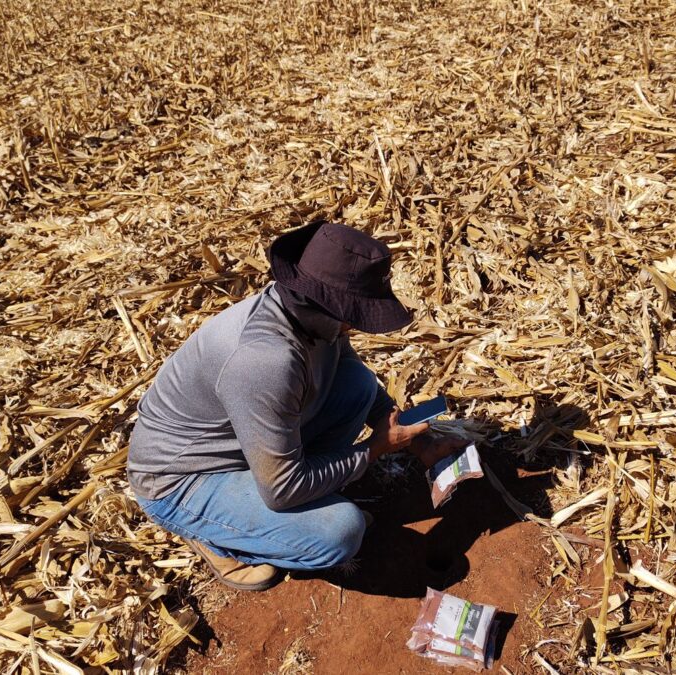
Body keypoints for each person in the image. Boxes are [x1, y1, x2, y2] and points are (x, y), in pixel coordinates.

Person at [127, 221, 463, 591]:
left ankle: (282, 503)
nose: (355, 327)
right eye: (354, 317)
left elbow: (356, 380)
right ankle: (219, 537)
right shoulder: (265, 360)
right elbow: (283, 489)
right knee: (340, 532)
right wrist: (375, 448)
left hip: (247, 447)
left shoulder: (309, 316)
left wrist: (421, 445)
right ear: (323, 305)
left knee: (357, 385)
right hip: (182, 480)